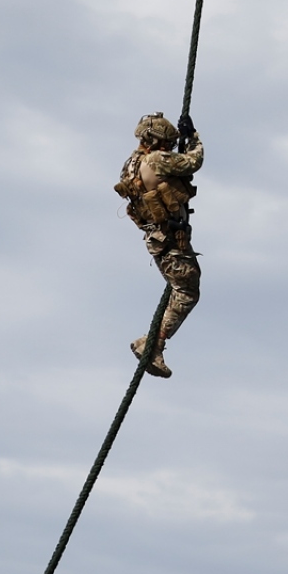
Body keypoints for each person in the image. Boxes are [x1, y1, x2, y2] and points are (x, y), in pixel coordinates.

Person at [113, 112, 203, 378]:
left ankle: (153, 343)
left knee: (180, 288)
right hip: (170, 240)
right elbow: (193, 162)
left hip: (158, 239)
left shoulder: (132, 163)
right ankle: (152, 344)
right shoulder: (156, 160)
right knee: (187, 291)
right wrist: (194, 137)